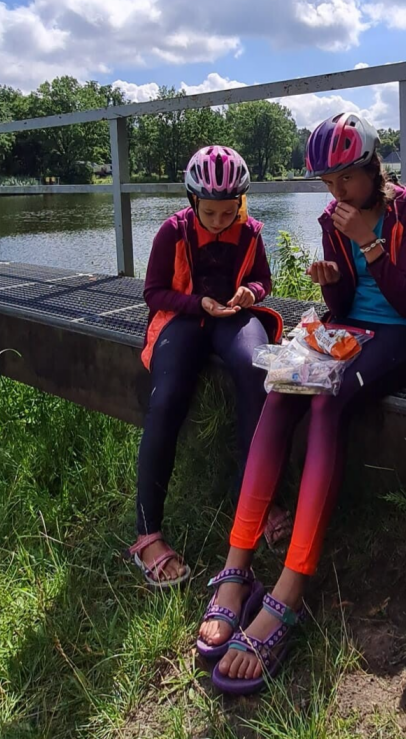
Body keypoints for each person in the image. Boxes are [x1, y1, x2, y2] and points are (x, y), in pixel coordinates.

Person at [197, 113, 406, 693]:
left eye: (346, 180)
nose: (336, 193)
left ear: (372, 170)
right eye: (328, 183)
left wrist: (368, 243)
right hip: (350, 328)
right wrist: (332, 275)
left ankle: (290, 587)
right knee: (282, 391)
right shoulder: (333, 216)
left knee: (328, 403)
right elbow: (345, 300)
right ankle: (236, 569)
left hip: (404, 333)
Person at [128, 145, 286, 589]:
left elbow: (263, 279)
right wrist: (197, 302)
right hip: (182, 316)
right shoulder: (172, 231)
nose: (219, 222)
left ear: (240, 203)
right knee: (168, 396)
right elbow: (155, 292)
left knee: (258, 372)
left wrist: (250, 295)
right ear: (193, 200)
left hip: (232, 317)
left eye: (228, 213)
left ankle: (252, 499)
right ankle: (148, 534)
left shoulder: (251, 231)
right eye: (210, 213)